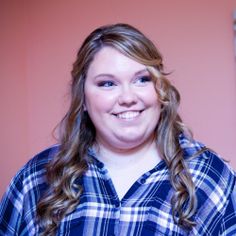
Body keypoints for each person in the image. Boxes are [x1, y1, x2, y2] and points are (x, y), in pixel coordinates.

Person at [0, 23, 235, 236]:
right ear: (82, 97)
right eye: (107, 84)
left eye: (142, 79)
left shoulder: (209, 176)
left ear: (160, 90)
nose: (127, 98)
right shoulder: (37, 177)